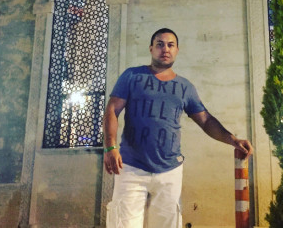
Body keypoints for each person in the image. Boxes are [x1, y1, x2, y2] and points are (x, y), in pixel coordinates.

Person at [103, 27, 253, 228]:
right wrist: (110, 147)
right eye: (160, 44)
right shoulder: (132, 76)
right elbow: (112, 110)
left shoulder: (185, 87)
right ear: (151, 49)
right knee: (123, 224)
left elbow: (206, 120)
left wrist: (233, 140)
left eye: (170, 45)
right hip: (131, 167)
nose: (165, 49)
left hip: (169, 171)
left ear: (177, 50)